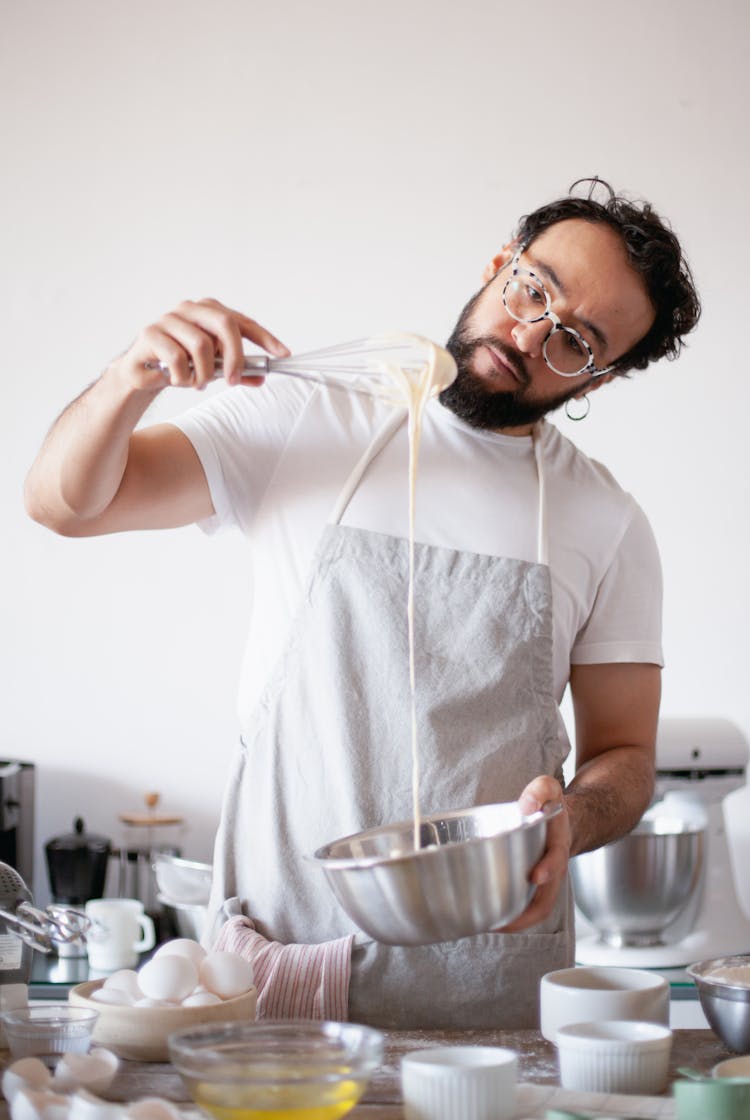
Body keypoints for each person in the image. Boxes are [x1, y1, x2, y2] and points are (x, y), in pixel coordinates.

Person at [24, 178, 700, 1029]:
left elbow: (627, 754)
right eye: (535, 289)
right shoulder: (306, 415)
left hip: (484, 986)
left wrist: (574, 814)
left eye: (576, 341)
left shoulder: (606, 521)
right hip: (281, 957)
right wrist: (133, 377)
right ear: (500, 265)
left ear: (598, 377)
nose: (530, 334)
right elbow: (63, 504)